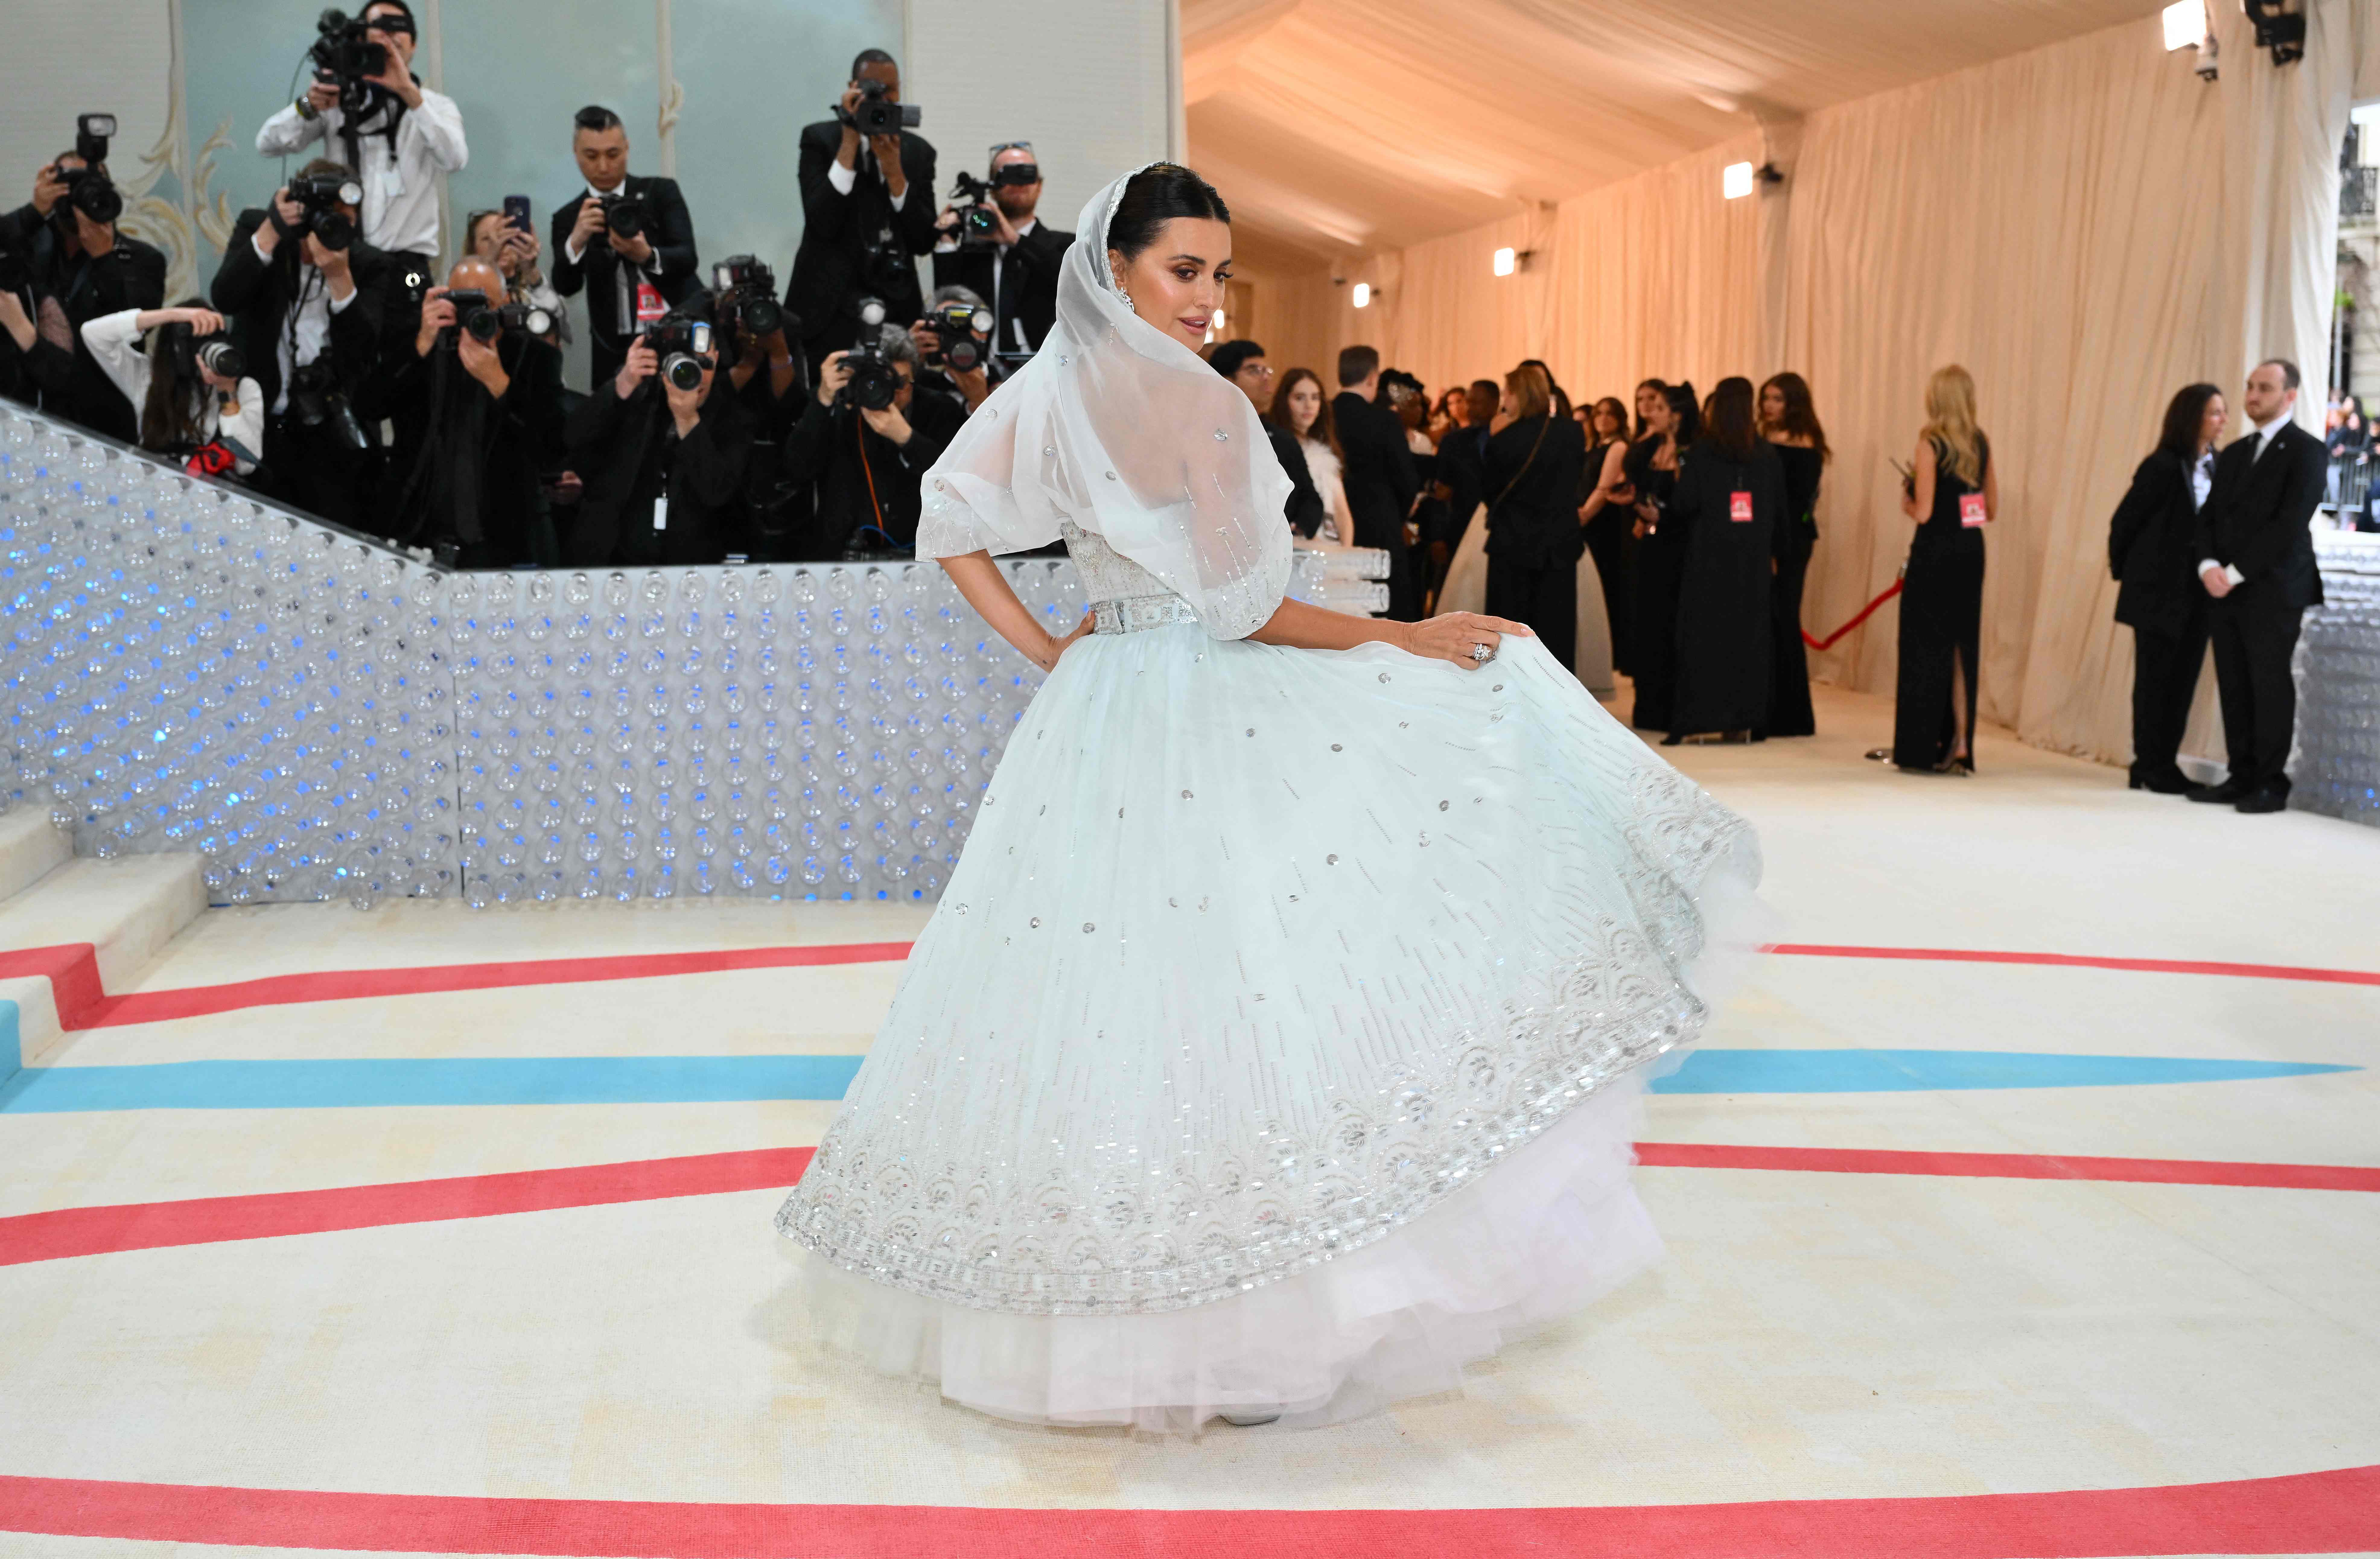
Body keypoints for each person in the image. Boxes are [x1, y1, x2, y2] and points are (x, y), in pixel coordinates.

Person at [774, 161, 1765, 1433]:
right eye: (1183, 269)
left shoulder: (1051, 389)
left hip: (1099, 708)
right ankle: (1245, 1315)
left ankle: (1123, 1304)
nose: (1205, 297)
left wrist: (1054, 651)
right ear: (1118, 267)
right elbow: (1244, 610)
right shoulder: (1193, 404)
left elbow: (947, 514)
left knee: (1114, 990)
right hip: (1197, 698)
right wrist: (1405, 634)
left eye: (1218, 275)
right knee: (1241, 982)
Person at [209, 162, 403, 532]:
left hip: (334, 437)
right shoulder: (260, 228)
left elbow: (364, 352)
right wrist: (272, 230)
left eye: (346, 220)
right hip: (263, 427)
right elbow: (225, 297)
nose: (332, 228)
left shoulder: (372, 264)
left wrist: (339, 277)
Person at [360, 256, 564, 565]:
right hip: (417, 531)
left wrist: (499, 384)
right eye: (463, 303)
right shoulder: (422, 346)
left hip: (502, 538)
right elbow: (369, 406)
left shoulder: (535, 357)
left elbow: (552, 449)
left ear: (506, 303)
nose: (474, 315)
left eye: (485, 303)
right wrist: (420, 346)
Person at [2188, 358, 2325, 813]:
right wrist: (2208, 565)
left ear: (2290, 396)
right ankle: (2241, 774)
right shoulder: (2236, 452)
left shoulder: (2307, 451)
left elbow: (2289, 525)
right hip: (2225, 586)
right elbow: (2209, 518)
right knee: (2233, 682)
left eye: (2264, 388)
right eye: (2250, 386)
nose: (2252, 396)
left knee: (2268, 683)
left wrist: (2233, 573)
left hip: (2275, 588)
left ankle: (2270, 782)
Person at [254, 0, 466, 271]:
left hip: (408, 267)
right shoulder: (337, 100)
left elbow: (455, 160)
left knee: (412, 291)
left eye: (398, 28)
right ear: (361, 39)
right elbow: (267, 144)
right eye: (379, 27)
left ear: (414, 46)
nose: (388, 36)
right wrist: (309, 105)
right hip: (342, 257)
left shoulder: (435, 107)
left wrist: (410, 95)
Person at [562, 302, 752, 566]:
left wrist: (688, 420)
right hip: (614, 560)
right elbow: (572, 438)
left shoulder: (734, 417)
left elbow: (717, 493)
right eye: (681, 363)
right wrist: (623, 384)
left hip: (691, 568)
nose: (693, 375)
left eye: (702, 363)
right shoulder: (637, 399)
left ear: (717, 358)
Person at [0, 146, 168, 441]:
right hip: (28, 415)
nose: (79, 197)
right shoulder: (26, 246)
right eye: (70, 185)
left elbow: (132, 338)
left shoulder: (142, 260)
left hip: (104, 423)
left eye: (90, 186)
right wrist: (32, 213)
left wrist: (105, 261)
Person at [792, 50, 939, 385]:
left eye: (890, 90)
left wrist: (895, 172)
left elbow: (922, 240)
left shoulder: (918, 153)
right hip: (827, 307)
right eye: (872, 89)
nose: (881, 99)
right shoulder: (819, 140)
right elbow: (821, 222)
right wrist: (850, 140)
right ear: (852, 88)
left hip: (896, 304)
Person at [2108, 383, 2224, 794]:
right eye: (2214, 413)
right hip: (2158, 592)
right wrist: (2132, 574)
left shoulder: (2219, 467)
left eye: (2223, 413)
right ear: (2192, 417)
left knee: (2184, 680)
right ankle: (2148, 763)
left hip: (2199, 593)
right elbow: (2124, 522)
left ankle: (2163, 761)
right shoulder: (2161, 466)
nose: (2222, 421)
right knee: (2154, 681)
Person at [1883, 364, 1995, 775]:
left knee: (1925, 648)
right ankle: (1961, 742)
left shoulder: (1929, 444)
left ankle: (1923, 744)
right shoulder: (1980, 442)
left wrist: (1908, 501)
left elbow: (1925, 511)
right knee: (1963, 647)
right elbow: (1990, 509)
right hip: (1970, 551)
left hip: (1935, 553)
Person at [779, 322, 965, 558]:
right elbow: (798, 470)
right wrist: (823, 401)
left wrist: (908, 439)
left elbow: (957, 487)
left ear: (915, 377)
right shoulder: (838, 407)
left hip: (925, 554)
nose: (890, 393)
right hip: (843, 553)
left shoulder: (939, 409)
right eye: (880, 381)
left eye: (901, 383)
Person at [550, 106, 700, 393]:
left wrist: (647, 255)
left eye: (613, 154)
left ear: (627, 149)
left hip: (677, 329)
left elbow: (688, 258)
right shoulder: (570, 216)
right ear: (576, 154)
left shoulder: (660, 193)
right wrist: (577, 240)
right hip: (612, 346)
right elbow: (565, 286)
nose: (603, 167)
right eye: (591, 156)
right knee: (614, 416)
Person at [1664, 377, 1780, 744]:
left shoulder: (1701, 453)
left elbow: (1684, 504)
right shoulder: (1766, 454)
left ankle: (1700, 716)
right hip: (1751, 560)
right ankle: (1744, 718)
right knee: (1747, 637)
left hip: (1708, 558)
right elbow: (1778, 513)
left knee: (1704, 636)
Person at [1481, 363, 1590, 673]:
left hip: (1512, 544)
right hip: (1559, 543)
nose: (1504, 400)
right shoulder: (1572, 432)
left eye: (1507, 393)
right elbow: (1575, 480)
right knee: (1557, 632)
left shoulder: (1503, 439)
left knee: (1511, 632)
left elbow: (1488, 492)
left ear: (1519, 395)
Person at [77, 302, 265, 477]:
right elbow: (92, 333)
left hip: (208, 493)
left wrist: (226, 391)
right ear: (174, 348)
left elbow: (246, 465)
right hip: (152, 485)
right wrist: (172, 316)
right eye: (195, 343)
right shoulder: (147, 377)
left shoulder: (243, 388)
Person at [930, 141, 1072, 363]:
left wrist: (1015, 241)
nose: (1018, 183)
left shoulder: (1065, 245)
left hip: (1048, 366)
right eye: (1007, 176)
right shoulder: (972, 253)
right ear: (992, 189)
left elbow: (1068, 281)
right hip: (981, 367)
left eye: (1026, 174)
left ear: (1039, 186)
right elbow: (947, 301)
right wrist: (947, 241)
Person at [1758, 373, 1828, 737]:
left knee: (1784, 617)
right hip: (1768, 537)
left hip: (1791, 540)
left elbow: (1795, 503)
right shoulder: (1764, 436)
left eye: (1777, 399)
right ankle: (1769, 707)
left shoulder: (1804, 442)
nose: (1769, 405)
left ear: (1793, 403)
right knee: (1768, 620)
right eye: (1766, 397)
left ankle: (1792, 715)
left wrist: (1776, 548)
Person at [1625, 381, 1694, 731]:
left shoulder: (1689, 453)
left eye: (1661, 408)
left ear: (1677, 415)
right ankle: (1648, 707)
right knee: (1647, 624)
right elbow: (1635, 474)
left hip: (1677, 549)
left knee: (1669, 625)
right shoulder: (1652, 446)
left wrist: (1661, 516)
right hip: (1650, 547)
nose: (1652, 413)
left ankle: (1670, 708)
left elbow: (1690, 504)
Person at [1334, 345, 1421, 618]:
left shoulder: (1324, 414)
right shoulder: (1385, 419)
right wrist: (1397, 514)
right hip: (1379, 522)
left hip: (1331, 522)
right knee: (1385, 607)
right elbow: (1406, 478)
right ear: (1373, 378)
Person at [1210, 338, 1322, 538]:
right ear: (1227, 380)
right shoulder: (1207, 432)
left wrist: (1298, 530)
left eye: (1267, 371)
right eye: (1254, 371)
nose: (1266, 378)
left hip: (1280, 546)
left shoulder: (1282, 439)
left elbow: (1310, 498)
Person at [1576, 395, 1636, 676]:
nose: (1603, 418)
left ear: (1620, 419)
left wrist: (1584, 516)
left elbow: (1604, 488)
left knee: (1606, 583)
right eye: (1599, 413)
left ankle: (1610, 654)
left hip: (1603, 525)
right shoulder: (1594, 446)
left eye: (1610, 414)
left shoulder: (1618, 446)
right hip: (1590, 521)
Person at [1269, 366, 1353, 545]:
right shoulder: (1275, 447)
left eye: (1315, 398)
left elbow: (1342, 512)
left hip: (1330, 545)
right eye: (1300, 398)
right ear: (1285, 402)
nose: (1309, 406)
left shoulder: (1325, 451)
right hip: (1293, 545)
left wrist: (1346, 552)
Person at [465, 207, 568, 348]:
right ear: (473, 249)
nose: (500, 244)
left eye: (505, 236)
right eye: (488, 239)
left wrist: (531, 271)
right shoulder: (463, 287)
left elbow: (560, 332)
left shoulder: (534, 290)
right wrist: (488, 265)